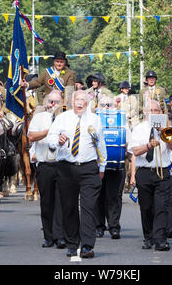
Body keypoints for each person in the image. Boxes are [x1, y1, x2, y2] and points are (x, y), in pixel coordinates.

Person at [46, 90, 107, 259]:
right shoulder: (62, 118)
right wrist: (57, 141)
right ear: (72, 102)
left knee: (88, 207)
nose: (80, 103)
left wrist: (102, 167)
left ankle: (87, 246)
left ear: (87, 103)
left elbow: (100, 144)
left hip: (88, 168)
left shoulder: (94, 119)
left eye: (83, 100)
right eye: (77, 100)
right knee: (69, 207)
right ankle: (73, 244)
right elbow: (50, 138)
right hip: (66, 168)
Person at [129, 100, 172, 251]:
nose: (154, 113)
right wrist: (148, 146)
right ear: (145, 113)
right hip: (144, 171)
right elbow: (135, 152)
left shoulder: (167, 128)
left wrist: (164, 132)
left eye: (157, 111)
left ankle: (160, 239)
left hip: (162, 171)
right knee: (146, 207)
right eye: (151, 111)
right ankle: (148, 237)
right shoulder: (139, 129)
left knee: (161, 207)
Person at [28, 90, 66, 249]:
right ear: (46, 102)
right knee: (47, 202)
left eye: (56, 102)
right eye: (51, 101)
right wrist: (50, 131)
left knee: (62, 202)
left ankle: (60, 236)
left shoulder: (67, 118)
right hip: (45, 165)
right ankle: (48, 236)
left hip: (62, 164)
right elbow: (31, 137)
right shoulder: (39, 117)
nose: (53, 105)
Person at [95, 95, 131, 240]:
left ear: (115, 106)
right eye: (103, 105)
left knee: (114, 197)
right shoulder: (93, 121)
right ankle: (99, 226)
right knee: (99, 196)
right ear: (98, 107)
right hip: (98, 167)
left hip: (117, 165)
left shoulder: (123, 123)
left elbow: (128, 143)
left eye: (109, 104)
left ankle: (114, 226)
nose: (106, 108)